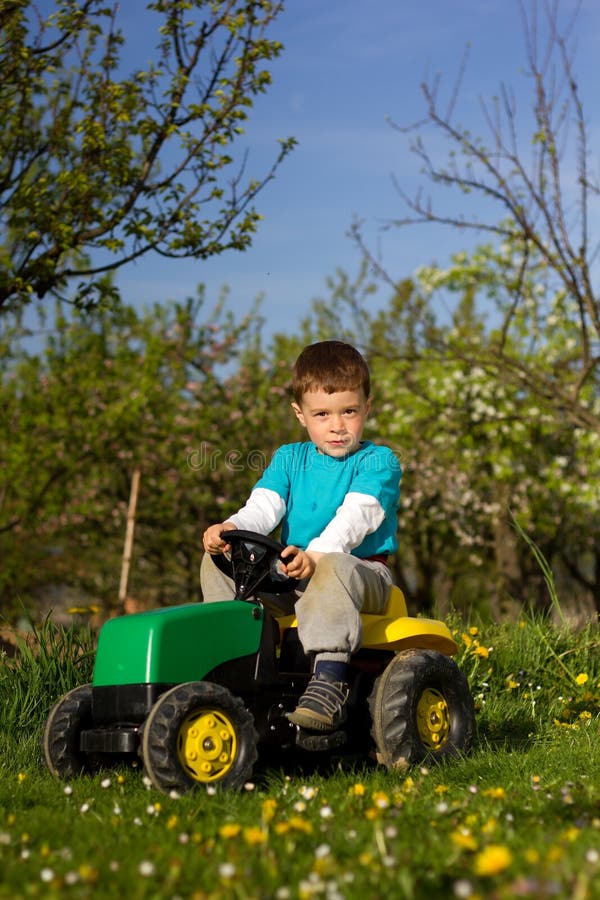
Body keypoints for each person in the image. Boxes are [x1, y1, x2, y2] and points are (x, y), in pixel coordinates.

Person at [201, 340, 401, 732]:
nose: (337, 426)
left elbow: (356, 517)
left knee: (334, 565)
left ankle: (329, 680)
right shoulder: (289, 459)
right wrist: (231, 530)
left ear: (367, 407)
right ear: (300, 414)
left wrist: (317, 556)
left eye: (349, 412)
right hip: (292, 574)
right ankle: (233, 662)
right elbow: (262, 508)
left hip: (361, 576)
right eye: (322, 414)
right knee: (219, 560)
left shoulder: (379, 461)